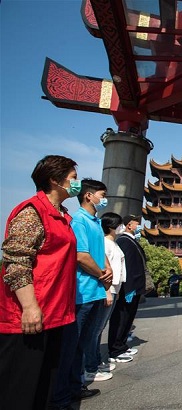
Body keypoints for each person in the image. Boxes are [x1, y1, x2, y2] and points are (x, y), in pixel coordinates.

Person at [0, 155, 80, 409]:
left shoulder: (63, 215)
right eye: (73, 178)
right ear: (55, 180)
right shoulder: (31, 212)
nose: (76, 183)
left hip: (55, 313)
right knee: (20, 389)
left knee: (45, 385)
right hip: (30, 314)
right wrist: (29, 306)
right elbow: (16, 261)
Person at [51, 178, 114, 409]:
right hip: (83, 292)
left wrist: (108, 267)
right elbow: (81, 255)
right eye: (102, 195)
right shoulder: (79, 220)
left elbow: (99, 251)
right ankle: (61, 396)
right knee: (71, 345)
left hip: (95, 290)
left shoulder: (95, 221)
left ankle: (75, 386)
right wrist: (102, 274)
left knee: (82, 343)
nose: (104, 199)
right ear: (89, 195)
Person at [108, 215, 146, 363]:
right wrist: (128, 288)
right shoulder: (124, 241)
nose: (139, 226)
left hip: (134, 286)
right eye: (137, 223)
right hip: (129, 287)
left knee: (128, 318)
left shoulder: (131, 240)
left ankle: (122, 345)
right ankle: (116, 348)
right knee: (121, 318)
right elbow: (126, 266)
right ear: (129, 225)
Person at [97, 212, 127, 372]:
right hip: (108, 288)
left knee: (101, 326)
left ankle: (94, 361)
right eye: (120, 224)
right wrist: (107, 290)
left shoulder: (114, 243)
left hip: (116, 288)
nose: (122, 227)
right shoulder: (105, 243)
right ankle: (93, 363)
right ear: (111, 226)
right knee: (98, 327)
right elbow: (103, 268)